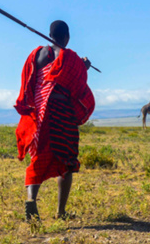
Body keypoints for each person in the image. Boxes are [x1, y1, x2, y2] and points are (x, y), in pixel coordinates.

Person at [14, 20, 95, 221]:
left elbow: (30, 80)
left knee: (39, 157)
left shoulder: (37, 54)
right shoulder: (71, 58)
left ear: (50, 35)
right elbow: (76, 84)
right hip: (61, 113)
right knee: (66, 160)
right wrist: (84, 67)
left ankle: (31, 200)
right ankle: (61, 212)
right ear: (67, 37)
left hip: (40, 114)